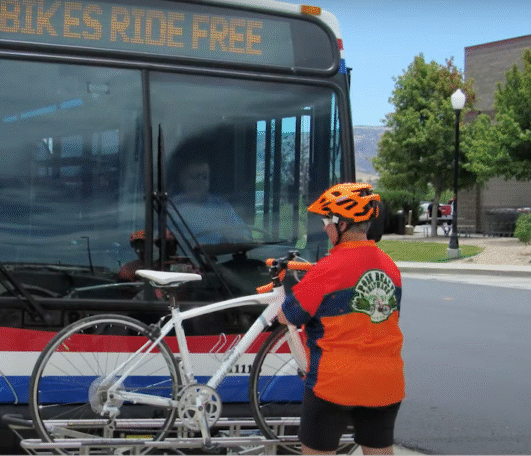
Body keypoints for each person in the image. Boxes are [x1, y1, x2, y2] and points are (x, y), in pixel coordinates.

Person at [277, 183, 405, 455]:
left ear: (343, 225)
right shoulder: (390, 267)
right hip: (385, 381)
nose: (325, 227)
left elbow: (287, 315)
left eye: (327, 221)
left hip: (333, 383)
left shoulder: (328, 268)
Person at [169, 156, 251, 244]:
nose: (200, 182)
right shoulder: (171, 209)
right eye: (194, 177)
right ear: (181, 178)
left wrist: (235, 236)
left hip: (224, 256)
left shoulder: (221, 206)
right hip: (191, 257)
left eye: (204, 177)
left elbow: (245, 235)